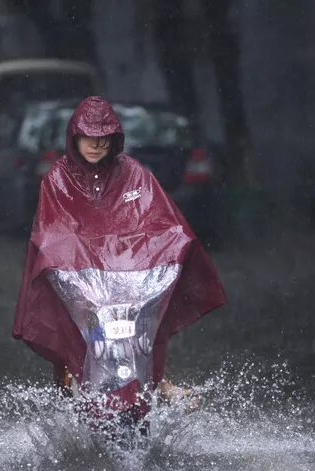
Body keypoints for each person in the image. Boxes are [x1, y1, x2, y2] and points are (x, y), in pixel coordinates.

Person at [13, 96, 226, 416]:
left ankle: (155, 384)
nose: (96, 146)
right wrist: (72, 267)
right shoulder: (58, 179)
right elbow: (54, 231)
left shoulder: (135, 174)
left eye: (104, 139)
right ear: (75, 137)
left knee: (139, 336)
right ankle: (77, 399)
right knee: (79, 339)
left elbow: (158, 220)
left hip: (129, 282)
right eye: (89, 138)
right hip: (79, 281)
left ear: (114, 140)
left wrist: (172, 246)